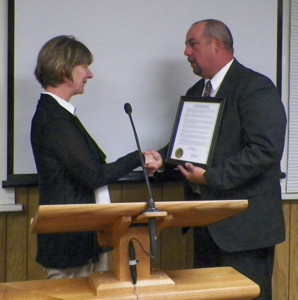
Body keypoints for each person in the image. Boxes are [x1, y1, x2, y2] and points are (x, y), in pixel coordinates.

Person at [147, 19, 286, 299]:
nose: (186, 52)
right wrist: (162, 158)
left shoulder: (255, 87)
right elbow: (188, 145)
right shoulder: (197, 92)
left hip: (246, 229)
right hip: (206, 225)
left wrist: (210, 177)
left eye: (192, 44)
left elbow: (265, 150)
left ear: (216, 45)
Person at [31, 35, 159, 279]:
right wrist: (138, 158)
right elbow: (93, 175)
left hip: (85, 239)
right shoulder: (55, 120)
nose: (90, 75)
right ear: (63, 69)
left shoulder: (60, 115)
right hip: (69, 243)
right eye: (84, 67)